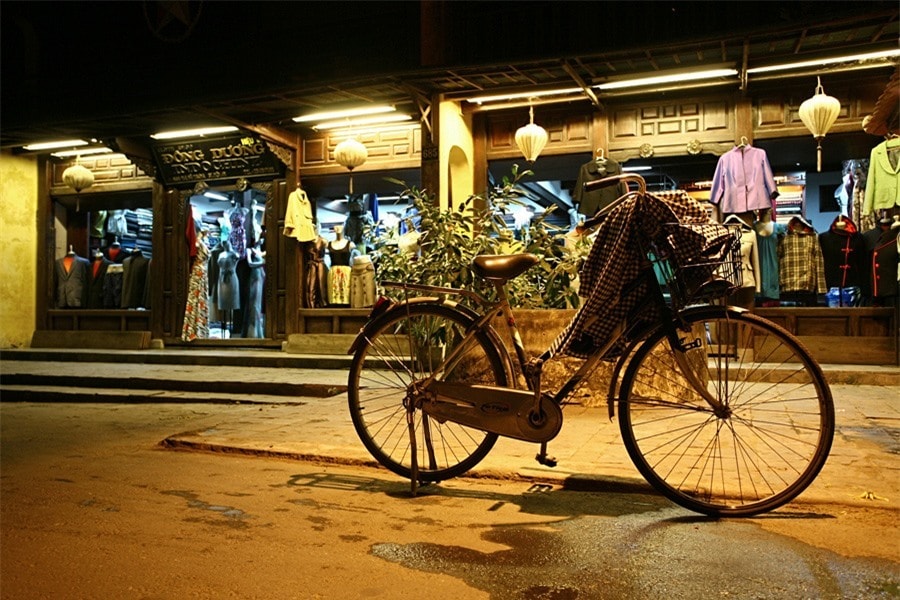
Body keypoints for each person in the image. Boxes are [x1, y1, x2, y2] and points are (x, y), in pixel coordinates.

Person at [327, 225, 356, 306]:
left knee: (346, 293)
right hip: (333, 272)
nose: (338, 229)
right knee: (334, 294)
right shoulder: (328, 244)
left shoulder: (350, 244)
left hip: (346, 272)